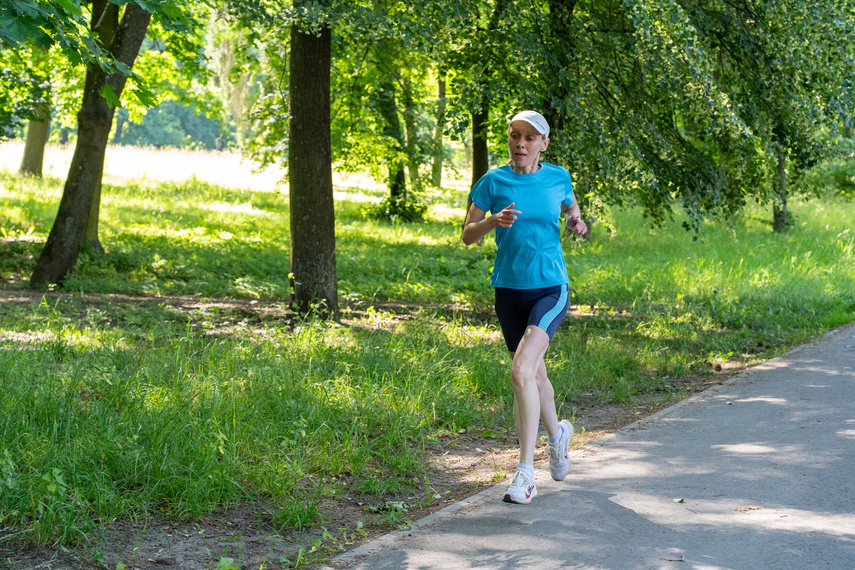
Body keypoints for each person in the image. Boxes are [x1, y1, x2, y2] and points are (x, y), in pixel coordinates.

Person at [461, 110, 587, 504]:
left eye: (530, 138)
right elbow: (467, 235)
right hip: (508, 291)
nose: (521, 144)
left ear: (543, 144)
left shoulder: (558, 176)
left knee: (520, 371)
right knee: (533, 375)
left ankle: (525, 472)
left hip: (550, 289)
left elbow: (571, 208)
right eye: (515, 135)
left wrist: (576, 221)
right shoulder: (492, 181)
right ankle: (558, 435)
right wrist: (493, 222)